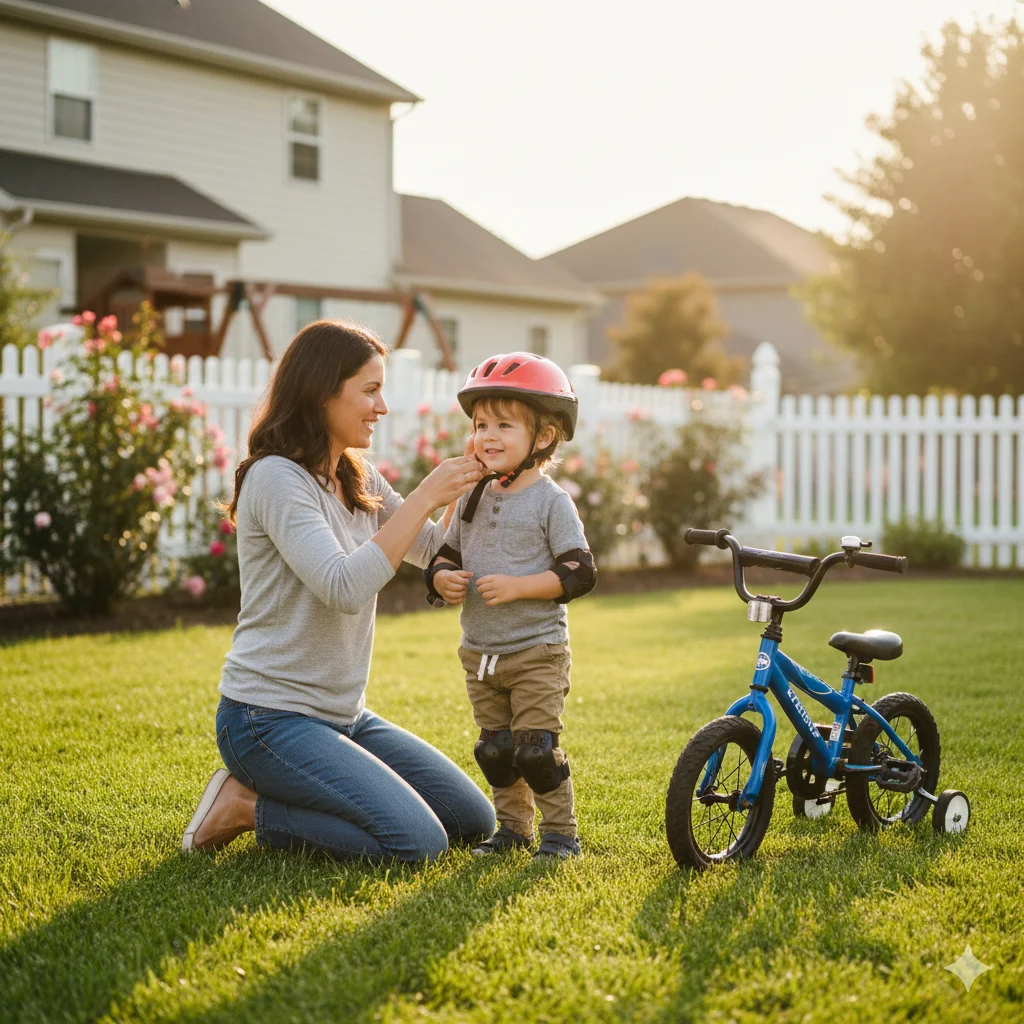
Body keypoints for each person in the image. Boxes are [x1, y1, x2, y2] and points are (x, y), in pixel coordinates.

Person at [181, 320, 496, 861]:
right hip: (266, 719)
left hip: (343, 716)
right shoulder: (275, 479)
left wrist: (473, 473)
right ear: (322, 392)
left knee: (473, 819)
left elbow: (436, 548)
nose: (382, 406)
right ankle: (244, 807)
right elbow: (343, 587)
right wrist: (422, 494)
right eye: (369, 390)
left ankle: (313, 789)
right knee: (418, 844)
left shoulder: (359, 476)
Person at [424, 353, 597, 859]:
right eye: (481, 424)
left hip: (536, 651)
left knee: (534, 751)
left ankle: (562, 835)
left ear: (543, 437)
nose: (487, 435)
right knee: (496, 750)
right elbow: (445, 553)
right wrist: (443, 579)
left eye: (503, 424)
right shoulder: (474, 494)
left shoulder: (551, 502)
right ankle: (513, 832)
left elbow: (579, 572)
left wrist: (520, 587)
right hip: (480, 653)